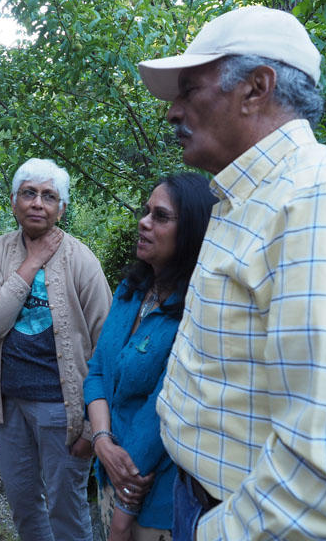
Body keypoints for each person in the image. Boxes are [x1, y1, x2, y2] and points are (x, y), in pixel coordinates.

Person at [137, 5, 326, 540]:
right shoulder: (244, 199)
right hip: (206, 499)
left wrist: (214, 533)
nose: (172, 110)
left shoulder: (322, 201)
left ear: (256, 88)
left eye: (189, 88)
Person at [0, 157, 113, 541]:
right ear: (13, 200)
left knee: (67, 508)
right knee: (23, 502)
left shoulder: (81, 259)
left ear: (62, 208)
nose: (37, 203)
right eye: (28, 193)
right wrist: (30, 264)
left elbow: (107, 344)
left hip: (62, 410)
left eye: (49, 196)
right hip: (8, 406)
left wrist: (91, 425)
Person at [84, 173, 217, 541]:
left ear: (191, 230)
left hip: (155, 491)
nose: (143, 222)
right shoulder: (130, 290)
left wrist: (123, 515)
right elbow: (97, 371)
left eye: (160, 216)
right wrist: (101, 440)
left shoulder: (195, 312)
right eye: (146, 212)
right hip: (110, 467)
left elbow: (163, 408)